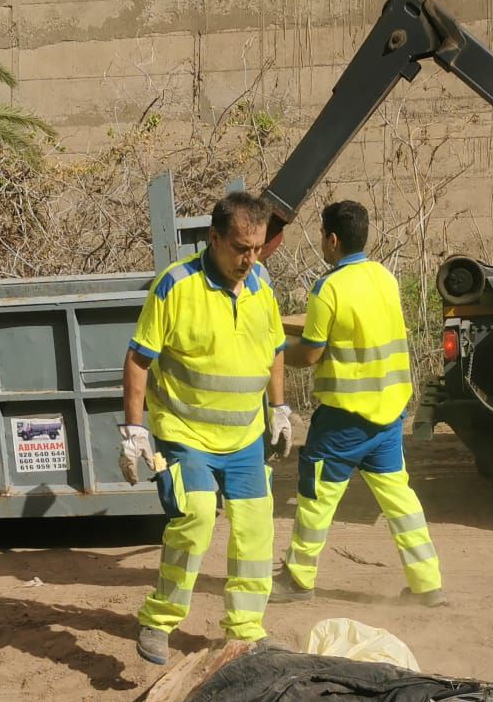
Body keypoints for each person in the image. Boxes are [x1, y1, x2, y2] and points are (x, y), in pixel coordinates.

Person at [120, 192, 292, 664]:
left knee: (257, 532)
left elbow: (275, 348)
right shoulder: (175, 286)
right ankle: (159, 620)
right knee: (195, 516)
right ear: (214, 238)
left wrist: (279, 409)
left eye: (257, 248)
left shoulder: (261, 283)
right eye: (241, 248)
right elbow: (138, 360)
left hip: (244, 440)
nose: (250, 259)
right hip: (186, 434)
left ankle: (245, 631)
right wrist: (134, 432)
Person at [271, 200, 443, 605]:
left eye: (322, 239)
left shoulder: (328, 288)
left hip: (343, 419)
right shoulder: (385, 277)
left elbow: (311, 353)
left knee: (316, 497)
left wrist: (275, 355)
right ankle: (427, 583)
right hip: (388, 415)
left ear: (332, 240)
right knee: (400, 500)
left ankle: (297, 579)